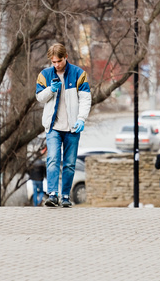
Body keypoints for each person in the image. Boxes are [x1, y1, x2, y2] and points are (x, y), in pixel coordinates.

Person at [35, 43, 92, 208]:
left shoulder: (78, 74)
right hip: (53, 126)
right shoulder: (45, 75)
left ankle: (65, 196)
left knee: (69, 163)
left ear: (65, 57)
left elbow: (86, 98)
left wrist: (81, 119)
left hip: (72, 127)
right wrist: (51, 90)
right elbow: (39, 97)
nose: (56, 65)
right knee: (52, 158)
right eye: (53, 62)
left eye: (59, 61)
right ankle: (53, 195)